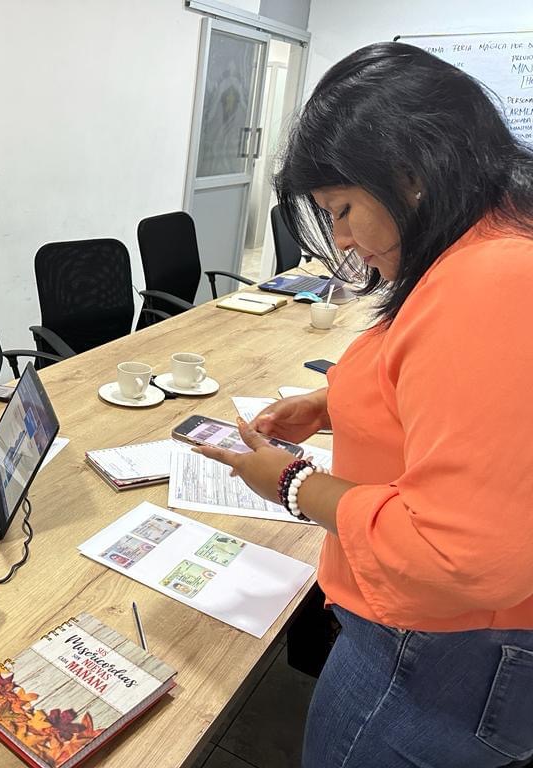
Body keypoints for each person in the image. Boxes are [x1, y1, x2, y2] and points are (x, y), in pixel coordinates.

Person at [195, 43, 533, 768]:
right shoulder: (490, 245)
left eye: (343, 210)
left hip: (438, 655)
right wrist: (331, 405)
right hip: (448, 643)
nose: (343, 240)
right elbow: (468, 406)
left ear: (412, 173)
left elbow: (458, 556)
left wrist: (292, 483)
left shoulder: (493, 281)